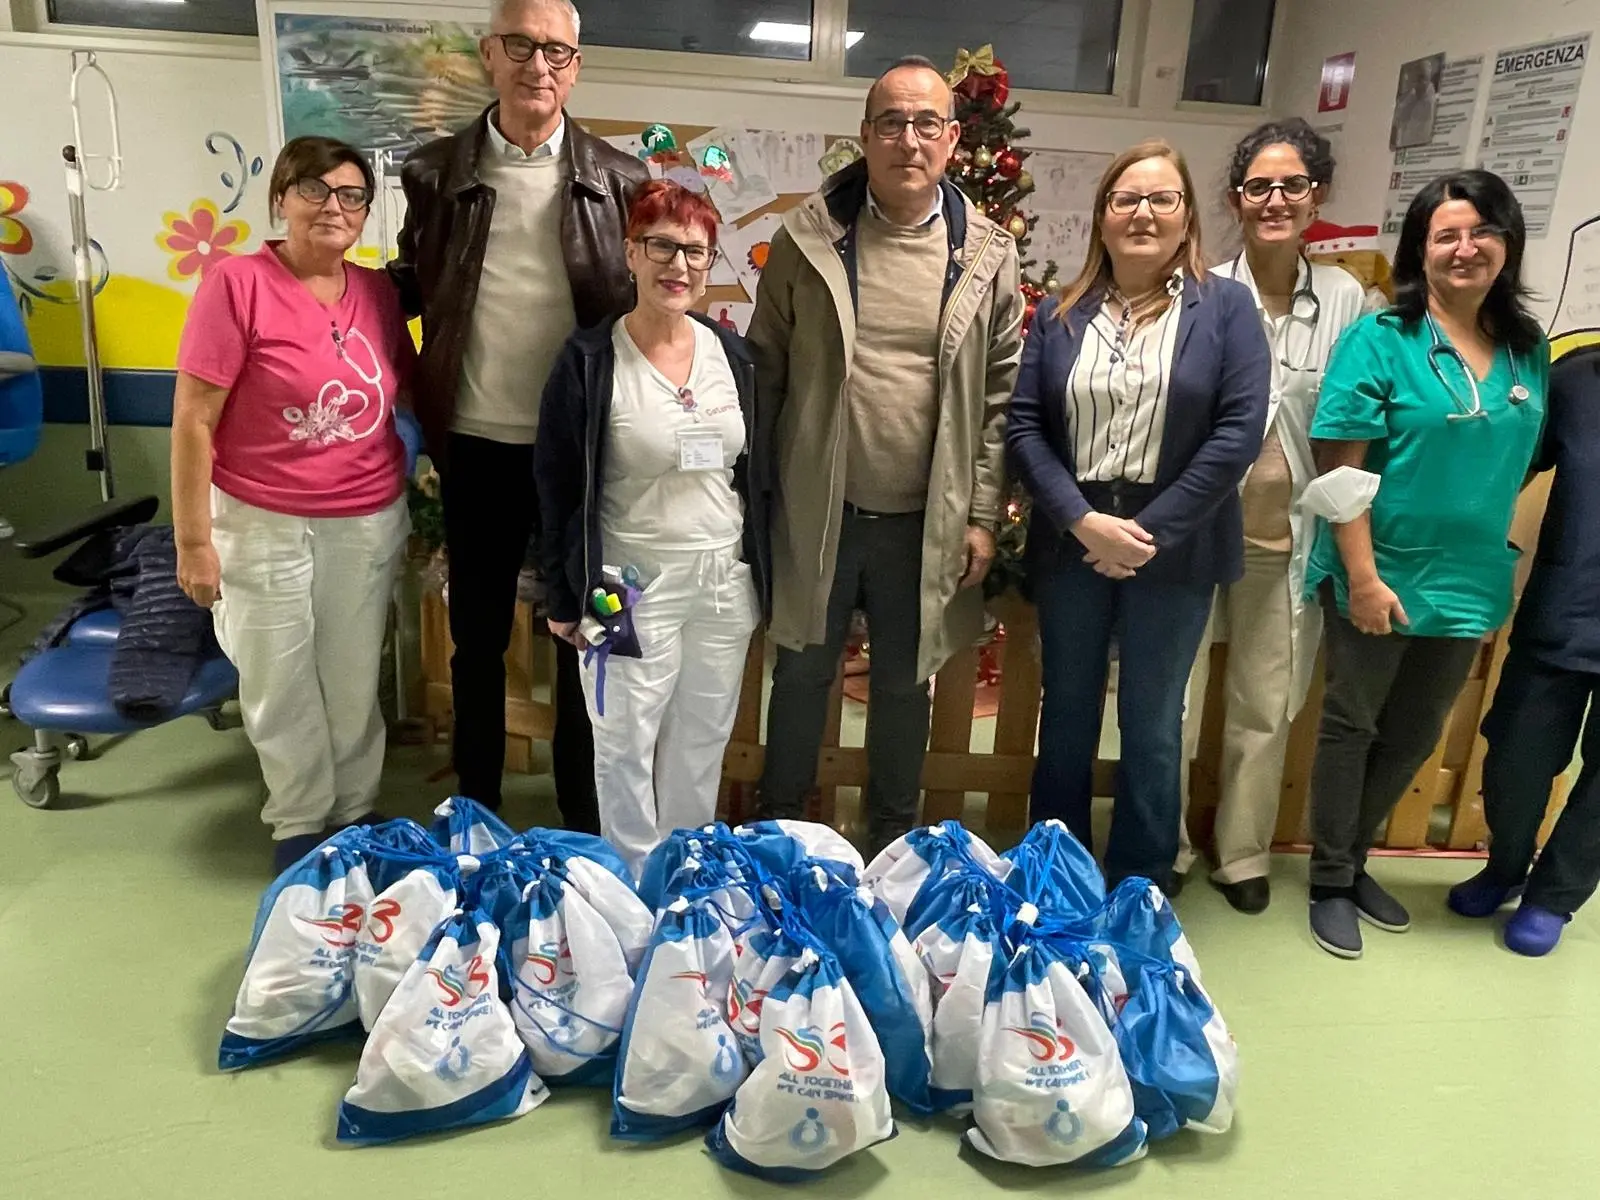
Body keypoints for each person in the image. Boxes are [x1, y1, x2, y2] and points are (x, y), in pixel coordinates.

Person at [748, 55, 1023, 853]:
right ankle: (782, 832)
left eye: (926, 123)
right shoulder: (806, 241)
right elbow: (764, 376)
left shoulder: (986, 255)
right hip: (818, 509)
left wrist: (979, 517)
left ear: (952, 139)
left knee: (907, 685)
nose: (909, 139)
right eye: (892, 124)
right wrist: (760, 499)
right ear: (865, 139)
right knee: (800, 671)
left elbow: (999, 398)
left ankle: (892, 843)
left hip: (922, 522)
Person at [390, 0, 648, 829]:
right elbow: (410, 278)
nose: (540, 66)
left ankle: (582, 819)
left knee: (590, 637)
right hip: (477, 445)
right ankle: (478, 810)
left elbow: (645, 307)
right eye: (522, 46)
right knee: (475, 641)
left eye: (559, 52)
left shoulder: (622, 180)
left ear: (578, 65)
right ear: (489, 55)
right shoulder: (435, 173)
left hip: (586, 454)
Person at [1006, 139, 1270, 892]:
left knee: (1154, 722)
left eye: (1162, 198)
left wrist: (1147, 533)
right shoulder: (1060, 313)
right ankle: (1053, 865)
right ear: (1103, 217)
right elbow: (1024, 426)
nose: (1143, 213)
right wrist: (1083, 522)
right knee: (1066, 714)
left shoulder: (1226, 307)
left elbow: (1238, 430)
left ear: (1187, 217)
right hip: (1074, 537)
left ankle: (1141, 874)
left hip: (1176, 546)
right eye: (1127, 199)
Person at [1303, 169, 1548, 960]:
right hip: (1381, 567)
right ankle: (1330, 881)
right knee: (1353, 725)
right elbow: (1338, 473)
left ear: (1506, 244)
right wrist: (1363, 579)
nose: (1464, 247)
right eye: (1446, 234)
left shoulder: (1526, 350)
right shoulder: (1382, 339)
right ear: (1421, 250)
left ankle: (1357, 857)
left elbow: (1523, 459)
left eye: (1481, 232)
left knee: (1413, 736)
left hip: (1468, 578)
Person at [172, 136, 417, 872]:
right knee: (279, 681)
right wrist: (193, 543)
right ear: (280, 198)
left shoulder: (376, 293)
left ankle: (355, 813)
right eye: (313, 189)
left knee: (349, 679)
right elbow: (192, 419)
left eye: (350, 196)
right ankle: (301, 824)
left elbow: (406, 390)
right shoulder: (237, 283)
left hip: (367, 518)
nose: (332, 207)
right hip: (261, 520)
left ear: (366, 212)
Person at [533, 181, 767, 874]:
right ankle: (632, 888)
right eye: (661, 245)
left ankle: (685, 879)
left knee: (701, 738)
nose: (679, 265)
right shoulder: (589, 361)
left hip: (722, 582)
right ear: (630, 253)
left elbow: (753, 473)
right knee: (625, 739)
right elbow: (555, 484)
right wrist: (562, 595)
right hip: (623, 583)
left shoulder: (734, 355)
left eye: (695, 250)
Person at [1175, 120, 1367, 913]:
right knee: (1176, 700)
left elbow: (1356, 420)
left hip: (1288, 540)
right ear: (1235, 200)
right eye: (1259, 187)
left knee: (1263, 699)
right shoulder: (1206, 291)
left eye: (1293, 186)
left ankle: (1243, 854)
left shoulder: (1350, 299)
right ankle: (1169, 845)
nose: (1276, 200)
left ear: (1316, 197)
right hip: (1198, 533)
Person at [1448, 345, 1599, 955]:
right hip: (1564, 607)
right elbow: (1505, 468)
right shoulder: (1577, 378)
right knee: (1515, 755)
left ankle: (1553, 898)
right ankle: (1507, 865)